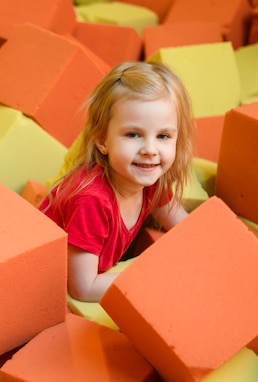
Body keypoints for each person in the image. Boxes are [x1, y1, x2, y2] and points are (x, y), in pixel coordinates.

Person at [39, 61, 194, 303]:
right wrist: (155, 275)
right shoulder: (91, 200)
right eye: (133, 134)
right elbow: (83, 288)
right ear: (102, 140)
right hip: (45, 294)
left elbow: (188, 229)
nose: (150, 150)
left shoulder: (151, 180)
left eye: (163, 136)